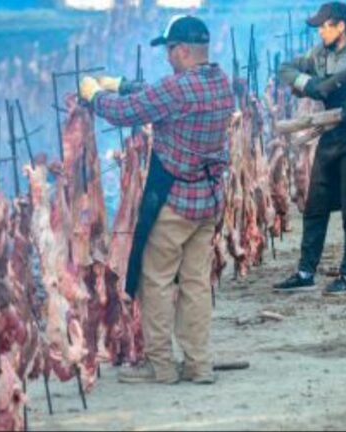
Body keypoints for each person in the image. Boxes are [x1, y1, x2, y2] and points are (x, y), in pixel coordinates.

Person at [79, 15, 234, 384]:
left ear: (182, 50)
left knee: (158, 280)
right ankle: (199, 365)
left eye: (169, 51)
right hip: (208, 201)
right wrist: (123, 84)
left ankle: (162, 367)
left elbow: (125, 112)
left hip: (175, 203)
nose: (167, 58)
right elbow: (160, 97)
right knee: (196, 283)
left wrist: (95, 95)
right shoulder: (220, 83)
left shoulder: (179, 90)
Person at [274, 1, 346, 295]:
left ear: (341, 26)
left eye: (325, 26)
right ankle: (305, 272)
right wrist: (308, 83)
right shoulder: (319, 55)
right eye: (319, 26)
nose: (321, 32)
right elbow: (285, 68)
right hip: (331, 136)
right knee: (315, 206)